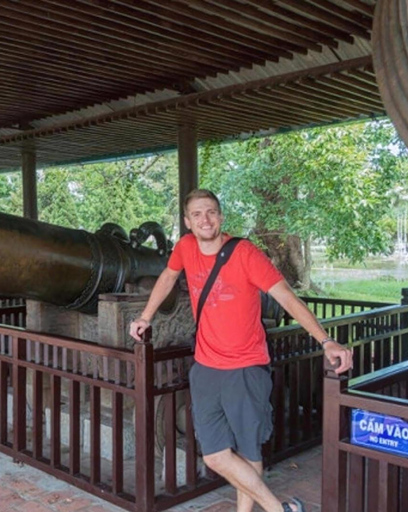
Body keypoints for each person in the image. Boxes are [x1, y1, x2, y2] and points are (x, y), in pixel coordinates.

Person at [129, 189, 353, 512]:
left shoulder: (245, 253)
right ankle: (281, 510)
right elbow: (167, 276)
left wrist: (325, 340)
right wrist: (145, 316)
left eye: (210, 212)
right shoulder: (186, 247)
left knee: (249, 453)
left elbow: (286, 296)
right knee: (215, 456)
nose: (204, 219)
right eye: (197, 214)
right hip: (206, 367)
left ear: (220, 217)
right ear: (187, 221)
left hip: (246, 366)